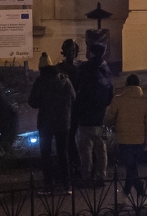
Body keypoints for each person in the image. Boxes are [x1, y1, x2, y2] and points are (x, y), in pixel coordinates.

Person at [105, 73, 147, 199]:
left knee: (130, 168)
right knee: (132, 167)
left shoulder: (118, 100)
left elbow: (109, 118)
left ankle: (140, 193)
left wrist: (111, 126)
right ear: (139, 85)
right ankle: (128, 194)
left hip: (124, 140)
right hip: (139, 141)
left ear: (126, 84)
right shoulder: (146, 102)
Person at [27, 63, 75, 191]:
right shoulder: (65, 80)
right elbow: (73, 97)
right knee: (63, 153)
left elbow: (32, 102)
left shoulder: (41, 81)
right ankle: (67, 184)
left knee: (46, 154)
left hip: (45, 123)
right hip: (63, 122)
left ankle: (48, 184)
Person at [73, 43, 115, 185]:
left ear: (90, 52)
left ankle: (86, 176)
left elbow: (77, 91)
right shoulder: (106, 70)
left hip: (85, 118)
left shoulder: (84, 69)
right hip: (100, 117)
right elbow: (110, 93)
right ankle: (101, 176)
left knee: (85, 151)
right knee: (101, 150)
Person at [56, 39, 84, 181]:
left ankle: (76, 164)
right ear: (64, 51)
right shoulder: (60, 68)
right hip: (65, 107)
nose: (71, 53)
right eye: (69, 50)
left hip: (77, 106)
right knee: (68, 137)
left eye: (73, 51)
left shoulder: (81, 67)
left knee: (72, 136)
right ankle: (74, 164)